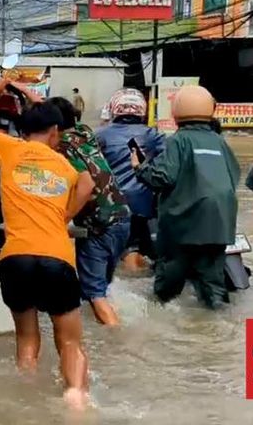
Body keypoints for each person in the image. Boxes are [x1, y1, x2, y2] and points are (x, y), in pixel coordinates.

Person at [0, 79, 94, 411]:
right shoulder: (65, 165)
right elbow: (88, 183)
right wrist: (65, 214)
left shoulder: (9, 149)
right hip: (57, 259)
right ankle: (75, 400)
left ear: (22, 129)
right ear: (55, 132)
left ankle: (25, 404)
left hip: (16, 260)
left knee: (27, 339)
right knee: (69, 341)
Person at [134, 85, 239, 310]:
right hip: (219, 224)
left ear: (176, 112)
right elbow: (234, 176)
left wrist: (140, 167)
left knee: (168, 285)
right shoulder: (219, 141)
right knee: (213, 283)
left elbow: (162, 177)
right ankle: (218, 323)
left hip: (183, 224)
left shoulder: (178, 141)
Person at [49, 97, 131, 326]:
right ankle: (109, 322)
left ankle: (118, 342)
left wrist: (63, 218)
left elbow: (86, 186)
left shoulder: (62, 147)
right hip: (122, 218)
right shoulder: (84, 133)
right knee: (101, 288)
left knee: (94, 292)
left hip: (99, 225)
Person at [96, 88, 166, 270]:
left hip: (112, 204)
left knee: (126, 252)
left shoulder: (100, 135)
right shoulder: (153, 135)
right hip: (144, 205)